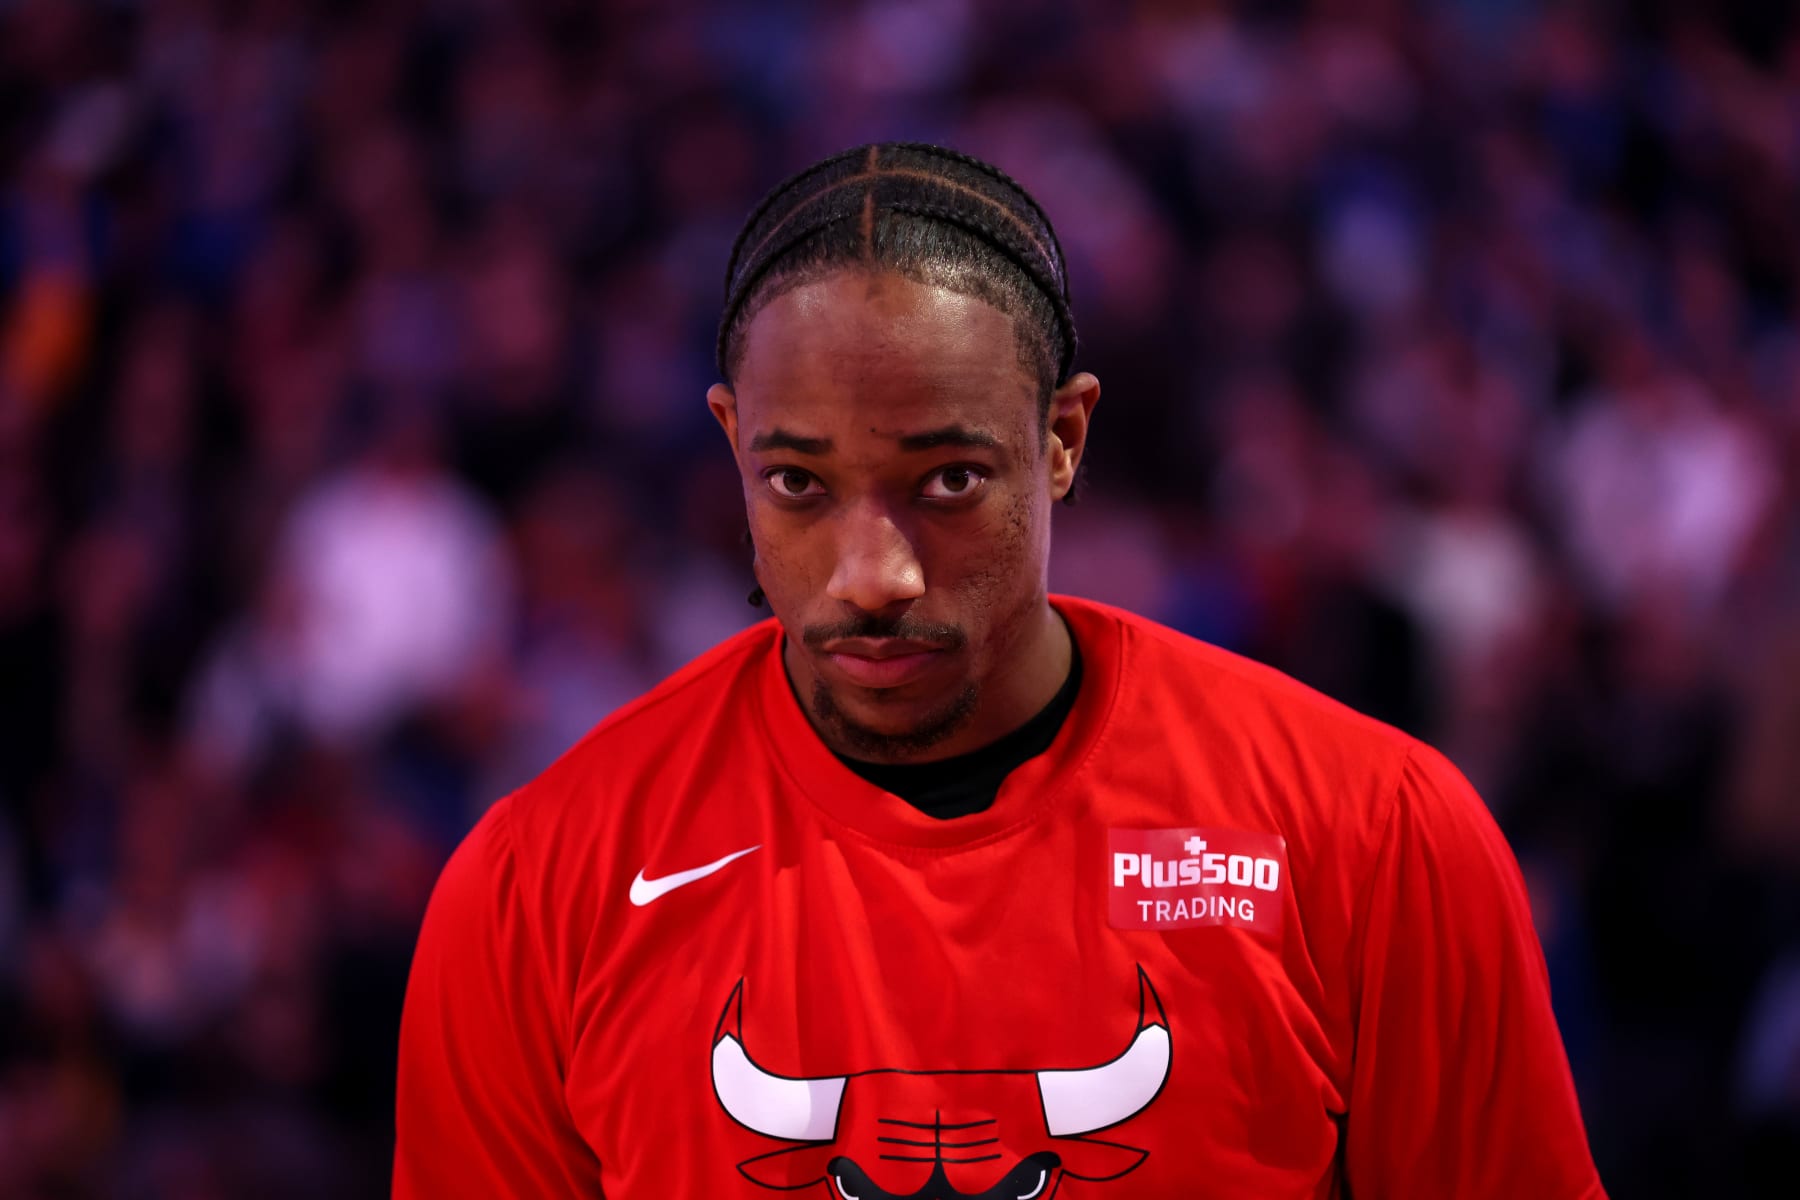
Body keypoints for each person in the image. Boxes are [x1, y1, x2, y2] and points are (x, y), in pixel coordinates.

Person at [394, 142, 1605, 1199]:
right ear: (730, 442)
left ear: (1062, 439)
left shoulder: (1376, 833)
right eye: (798, 483)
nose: (874, 574)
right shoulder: (535, 891)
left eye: (949, 481)